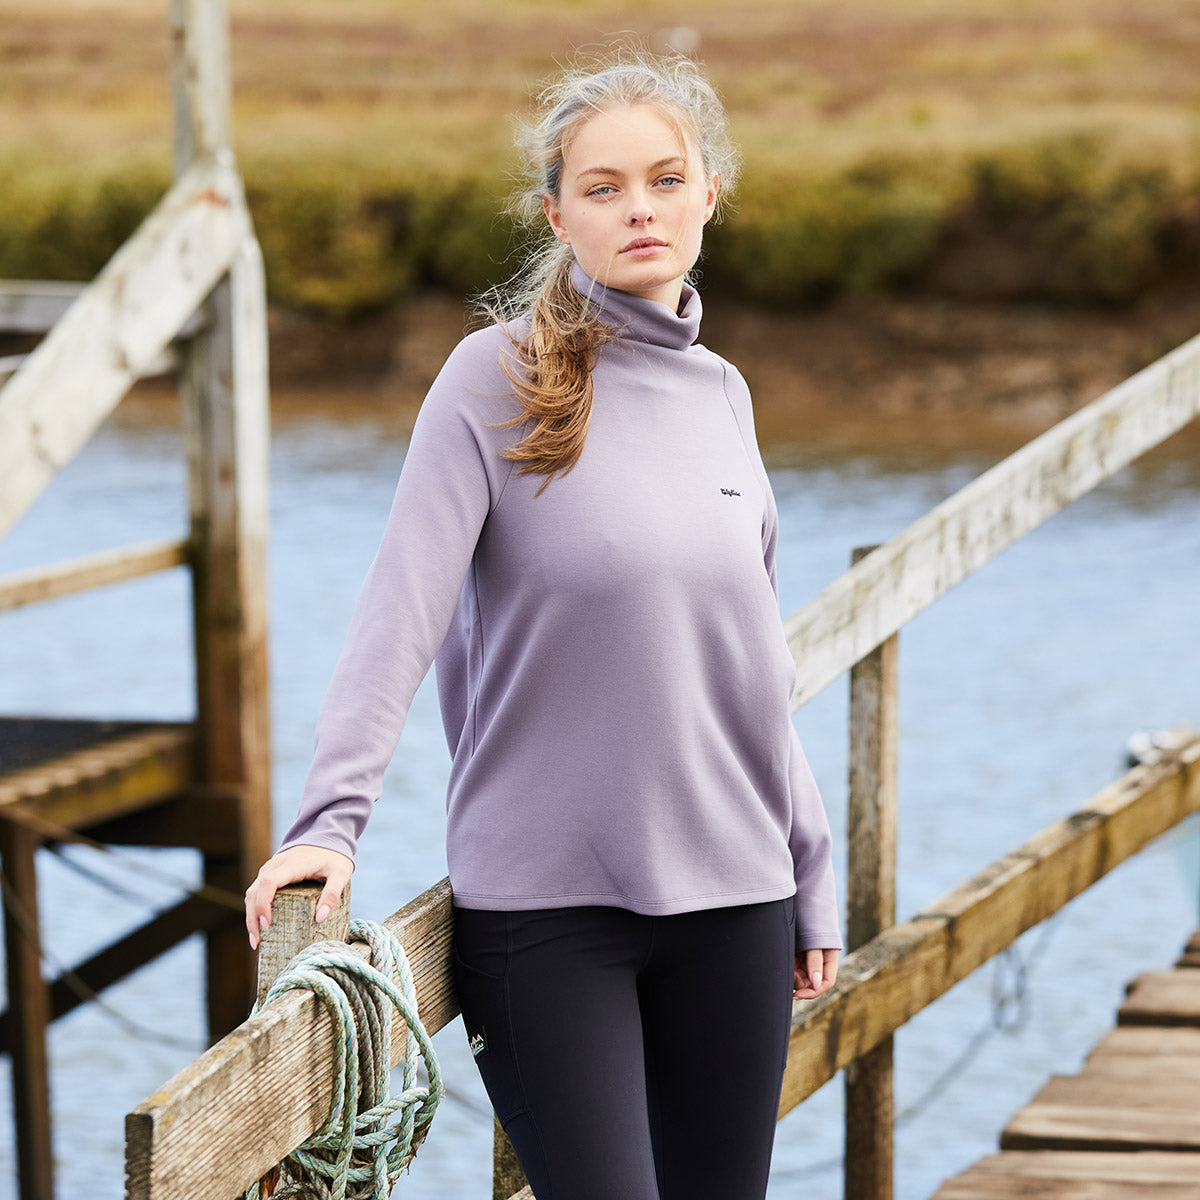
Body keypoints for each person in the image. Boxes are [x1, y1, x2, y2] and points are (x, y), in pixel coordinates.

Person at [244, 49, 841, 1200]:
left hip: (739, 906)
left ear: (711, 192)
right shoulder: (492, 380)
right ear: (558, 213)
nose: (640, 209)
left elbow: (753, 672)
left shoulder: (726, 395)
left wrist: (810, 868)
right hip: (550, 918)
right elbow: (398, 613)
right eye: (604, 187)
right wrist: (331, 823)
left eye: (665, 180)